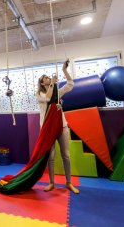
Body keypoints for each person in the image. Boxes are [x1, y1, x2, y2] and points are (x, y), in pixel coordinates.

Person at [36, 60, 79, 194]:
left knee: (66, 155)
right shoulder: (40, 94)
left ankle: (69, 182)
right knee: (51, 156)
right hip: (48, 128)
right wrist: (53, 83)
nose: (49, 78)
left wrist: (64, 70)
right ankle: (51, 182)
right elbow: (48, 98)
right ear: (43, 83)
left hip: (62, 126)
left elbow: (71, 84)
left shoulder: (57, 92)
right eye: (46, 78)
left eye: (49, 77)